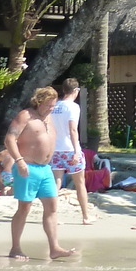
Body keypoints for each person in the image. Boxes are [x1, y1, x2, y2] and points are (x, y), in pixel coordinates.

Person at [3, 86, 75, 260]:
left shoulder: (49, 118)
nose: (51, 108)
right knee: (24, 208)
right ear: (39, 102)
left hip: (46, 169)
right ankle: (15, 248)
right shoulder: (25, 116)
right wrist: (19, 161)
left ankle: (55, 248)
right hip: (27, 167)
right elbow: (9, 139)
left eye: (53, 105)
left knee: (52, 207)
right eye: (49, 105)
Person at [49, 78, 95, 224]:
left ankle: (53, 217)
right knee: (80, 183)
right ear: (76, 91)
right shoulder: (73, 107)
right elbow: (73, 129)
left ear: (63, 90)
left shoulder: (54, 106)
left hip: (55, 149)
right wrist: (77, 150)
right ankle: (85, 216)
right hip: (69, 149)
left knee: (56, 183)